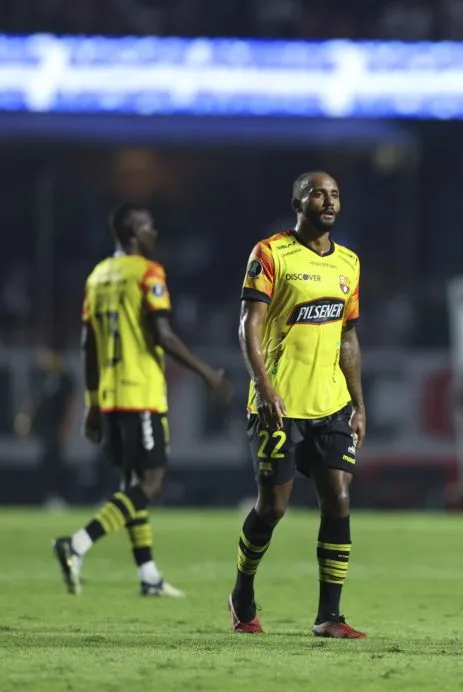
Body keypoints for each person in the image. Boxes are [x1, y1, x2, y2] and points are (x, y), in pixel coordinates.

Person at [53, 204, 233, 596]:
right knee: (150, 485)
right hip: (141, 391)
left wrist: (92, 402)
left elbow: (88, 344)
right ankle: (78, 543)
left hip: (111, 394)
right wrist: (207, 373)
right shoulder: (148, 273)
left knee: (132, 483)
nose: (155, 234)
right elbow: (163, 335)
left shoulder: (97, 276)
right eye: (150, 227)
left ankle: (148, 574)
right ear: (134, 232)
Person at [228, 171, 367, 639]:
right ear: (297, 202)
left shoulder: (349, 262)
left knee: (339, 498)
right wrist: (264, 388)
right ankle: (242, 594)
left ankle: (330, 615)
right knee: (273, 508)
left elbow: (349, 336)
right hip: (280, 406)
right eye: (318, 194)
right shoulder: (270, 253)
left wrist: (358, 404)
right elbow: (249, 324)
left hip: (330, 406)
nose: (328, 201)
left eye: (334, 194)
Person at [16, 346, 77, 508]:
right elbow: (33, 400)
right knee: (45, 461)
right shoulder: (41, 376)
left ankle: (59, 495)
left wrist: (66, 425)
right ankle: (48, 495)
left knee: (55, 460)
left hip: (56, 427)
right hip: (42, 427)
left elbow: (70, 404)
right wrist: (25, 420)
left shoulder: (66, 379)